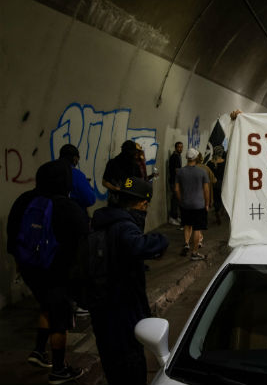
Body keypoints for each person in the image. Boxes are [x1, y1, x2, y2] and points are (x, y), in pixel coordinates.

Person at [7, 160, 89, 384]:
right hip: (58, 272)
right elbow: (85, 241)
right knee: (60, 319)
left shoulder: (23, 200)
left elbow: (12, 235)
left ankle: (38, 352)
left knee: (46, 305)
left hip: (30, 269)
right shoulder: (68, 207)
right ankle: (59, 370)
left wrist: (21, 264)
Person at [90, 177, 169, 385]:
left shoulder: (102, 221)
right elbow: (137, 246)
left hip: (101, 307)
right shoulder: (125, 226)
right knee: (131, 367)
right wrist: (160, 240)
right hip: (122, 309)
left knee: (113, 366)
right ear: (143, 204)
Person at [175, 148, 210, 260]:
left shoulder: (180, 172)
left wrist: (181, 200)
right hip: (199, 205)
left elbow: (176, 189)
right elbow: (206, 190)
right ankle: (194, 253)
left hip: (185, 204)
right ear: (196, 158)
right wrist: (207, 204)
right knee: (197, 229)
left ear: (186, 157)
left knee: (187, 225)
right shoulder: (202, 172)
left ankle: (186, 243)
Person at [58, 143, 95, 212]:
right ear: (75, 158)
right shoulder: (76, 174)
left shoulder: (46, 169)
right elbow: (89, 199)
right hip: (70, 216)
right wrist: (89, 187)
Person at [208, 145, 226, 225]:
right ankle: (220, 210)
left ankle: (216, 211)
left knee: (215, 198)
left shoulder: (210, 163)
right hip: (222, 183)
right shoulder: (224, 162)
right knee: (220, 198)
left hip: (212, 184)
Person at [168, 141, 184, 226]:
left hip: (175, 182)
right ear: (175, 148)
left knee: (176, 200)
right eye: (179, 147)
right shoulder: (175, 157)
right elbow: (177, 171)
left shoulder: (177, 156)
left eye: (181, 147)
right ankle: (172, 218)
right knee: (175, 200)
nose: (180, 149)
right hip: (174, 182)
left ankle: (175, 216)